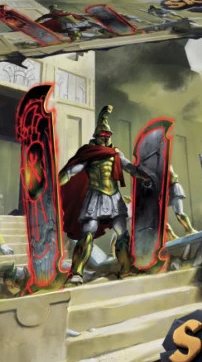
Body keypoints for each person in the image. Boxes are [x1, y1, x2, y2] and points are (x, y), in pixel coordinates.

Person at [58, 106, 150, 284]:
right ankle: (76, 273)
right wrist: (59, 181)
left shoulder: (115, 153)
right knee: (87, 234)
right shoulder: (90, 153)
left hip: (114, 197)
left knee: (122, 234)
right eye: (103, 135)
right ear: (96, 136)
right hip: (95, 196)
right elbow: (74, 170)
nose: (106, 138)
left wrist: (145, 176)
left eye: (108, 135)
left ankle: (126, 269)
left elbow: (129, 167)